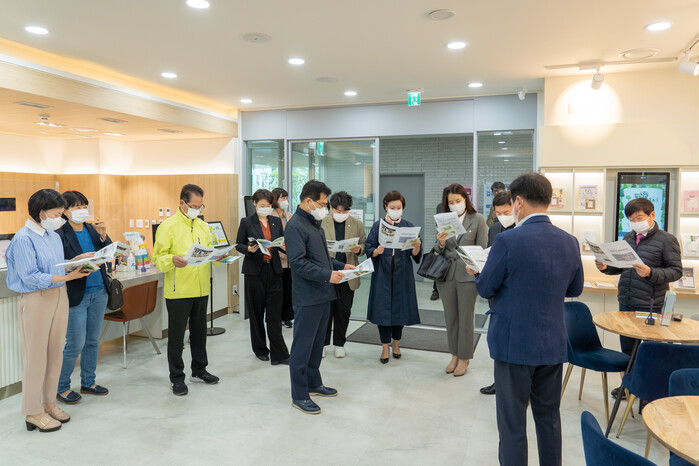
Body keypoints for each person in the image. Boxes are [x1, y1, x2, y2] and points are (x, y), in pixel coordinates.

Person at [470, 172, 584, 466]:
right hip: (552, 343)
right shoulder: (570, 242)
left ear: (518, 201)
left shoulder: (507, 240)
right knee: (549, 419)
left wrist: (478, 272)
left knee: (512, 424)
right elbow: (575, 289)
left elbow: (486, 288)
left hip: (514, 345)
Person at [5, 189, 96, 432]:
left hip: (59, 295)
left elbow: (55, 266)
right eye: (57, 214)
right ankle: (32, 411)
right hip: (36, 299)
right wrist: (68, 277)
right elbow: (31, 277)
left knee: (55, 353)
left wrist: (76, 262)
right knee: (35, 357)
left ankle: (48, 403)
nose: (61, 218)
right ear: (41, 212)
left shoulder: (52, 236)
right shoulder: (23, 239)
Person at [595, 197, 682, 400]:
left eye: (639, 218)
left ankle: (649, 391)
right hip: (626, 300)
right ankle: (630, 386)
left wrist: (651, 272)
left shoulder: (667, 240)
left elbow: (676, 271)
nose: (635, 223)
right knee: (628, 349)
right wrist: (606, 267)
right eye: (631, 220)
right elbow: (623, 267)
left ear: (652, 215)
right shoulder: (628, 237)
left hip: (651, 304)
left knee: (651, 350)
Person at [285, 180, 353, 414]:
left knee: (316, 346)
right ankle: (299, 394)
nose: (325, 208)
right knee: (302, 348)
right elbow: (298, 263)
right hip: (307, 296)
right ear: (308, 201)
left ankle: (314, 383)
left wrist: (341, 266)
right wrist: (328, 275)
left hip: (324, 294)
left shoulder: (315, 224)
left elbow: (322, 258)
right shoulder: (295, 226)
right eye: (323, 204)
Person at [153, 184, 219, 396]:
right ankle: (177, 378)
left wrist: (219, 256)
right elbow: (158, 258)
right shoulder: (168, 226)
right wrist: (171, 259)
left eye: (200, 206)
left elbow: (210, 251)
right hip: (178, 290)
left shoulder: (203, 226)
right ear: (181, 203)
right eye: (193, 206)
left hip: (201, 288)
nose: (197, 210)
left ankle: (199, 370)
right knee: (177, 337)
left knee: (199, 334)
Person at [56, 191, 112, 404]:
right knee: (74, 344)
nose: (81, 211)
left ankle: (89, 382)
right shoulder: (60, 234)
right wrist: (76, 261)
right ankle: (61, 387)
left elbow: (108, 253)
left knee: (92, 342)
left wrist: (104, 236)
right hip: (76, 294)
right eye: (76, 207)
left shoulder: (91, 229)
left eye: (84, 206)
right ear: (65, 211)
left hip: (99, 291)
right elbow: (57, 263)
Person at [434, 183, 487, 377]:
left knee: (465, 318)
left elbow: (482, 249)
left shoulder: (477, 219)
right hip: (446, 276)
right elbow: (437, 249)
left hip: (467, 276)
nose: (455, 204)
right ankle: (454, 355)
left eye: (458, 200)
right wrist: (441, 242)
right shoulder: (444, 219)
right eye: (451, 202)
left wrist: (475, 269)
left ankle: (464, 357)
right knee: (451, 318)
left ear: (466, 199)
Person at [365, 190, 422, 364]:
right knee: (382, 311)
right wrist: (376, 251)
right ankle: (384, 346)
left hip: (402, 274)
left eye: (398, 207)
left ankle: (396, 343)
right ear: (386, 207)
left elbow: (415, 255)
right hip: (382, 274)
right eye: (392, 207)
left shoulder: (409, 226)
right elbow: (369, 247)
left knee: (400, 310)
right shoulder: (378, 226)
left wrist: (416, 247)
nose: (396, 210)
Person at [235, 189, 290, 365]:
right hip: (255, 272)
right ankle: (260, 350)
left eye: (268, 205)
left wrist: (285, 248)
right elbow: (239, 244)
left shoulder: (275, 221)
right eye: (262, 205)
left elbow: (280, 243)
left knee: (274, 315)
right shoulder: (247, 222)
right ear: (254, 204)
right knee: (256, 313)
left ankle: (279, 354)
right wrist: (248, 249)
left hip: (274, 270)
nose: (266, 208)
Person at [321, 191, 366, 358]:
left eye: (345, 211)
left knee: (343, 311)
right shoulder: (321, 222)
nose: (341, 214)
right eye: (338, 211)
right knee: (325, 312)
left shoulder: (356, 223)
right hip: (327, 273)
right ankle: (322, 343)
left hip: (348, 275)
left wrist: (359, 249)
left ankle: (339, 344)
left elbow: (364, 244)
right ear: (331, 208)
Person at [480, 190, 516, 395]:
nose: (502, 216)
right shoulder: (494, 229)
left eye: (506, 212)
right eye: (498, 213)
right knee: (497, 341)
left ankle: (516, 384)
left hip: (514, 294)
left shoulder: (521, 230)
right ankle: (499, 382)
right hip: (495, 293)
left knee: (515, 342)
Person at [270, 187, 294, 328]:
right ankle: (276, 317)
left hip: (290, 260)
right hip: (277, 259)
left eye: (286, 198)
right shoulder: (271, 216)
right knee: (278, 291)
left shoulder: (289, 215)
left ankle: (287, 317)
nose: (285, 201)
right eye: (282, 198)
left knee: (288, 289)